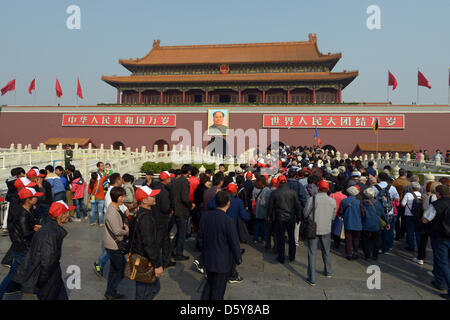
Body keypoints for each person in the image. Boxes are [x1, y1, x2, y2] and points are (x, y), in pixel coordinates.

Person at [12, 200, 73, 300]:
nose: (68, 214)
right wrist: (42, 281)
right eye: (67, 212)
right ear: (60, 215)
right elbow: (47, 261)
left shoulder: (50, 228)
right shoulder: (50, 234)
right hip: (49, 278)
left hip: (53, 274)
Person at [0, 187, 43, 299]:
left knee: (12, 274)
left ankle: (6, 290)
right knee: (34, 272)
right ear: (28, 200)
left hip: (18, 247)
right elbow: (25, 233)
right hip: (23, 249)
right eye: (34, 197)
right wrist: (35, 230)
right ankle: (42, 294)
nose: (36, 198)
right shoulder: (24, 214)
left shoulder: (23, 210)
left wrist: (33, 227)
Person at [198, 191, 242, 300]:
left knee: (209, 284)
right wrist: (238, 258)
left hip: (208, 258)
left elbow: (200, 237)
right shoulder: (228, 221)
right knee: (218, 290)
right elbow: (234, 242)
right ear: (228, 203)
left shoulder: (205, 216)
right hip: (221, 261)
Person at [207, 183, 249, 283]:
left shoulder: (219, 198)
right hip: (231, 228)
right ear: (235, 191)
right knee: (232, 251)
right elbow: (245, 216)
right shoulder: (238, 201)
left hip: (217, 226)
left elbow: (210, 205)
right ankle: (232, 274)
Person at [94, 173, 129, 277]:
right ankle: (100, 264)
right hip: (113, 221)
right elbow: (113, 206)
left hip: (116, 219)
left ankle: (106, 265)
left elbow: (119, 204)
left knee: (114, 247)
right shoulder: (111, 192)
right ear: (118, 180)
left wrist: (125, 208)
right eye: (121, 179)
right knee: (113, 246)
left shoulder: (115, 190)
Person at [131, 186, 163, 300]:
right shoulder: (146, 218)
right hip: (145, 260)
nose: (155, 197)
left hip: (139, 257)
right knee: (145, 292)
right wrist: (157, 265)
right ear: (144, 200)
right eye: (152, 196)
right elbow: (148, 243)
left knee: (145, 290)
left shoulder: (138, 212)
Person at [303, 180, 336, 286]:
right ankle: (328, 271)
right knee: (326, 251)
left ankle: (312, 278)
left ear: (318, 188)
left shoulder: (312, 199)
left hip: (313, 228)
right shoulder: (332, 201)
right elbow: (333, 216)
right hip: (326, 228)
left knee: (312, 253)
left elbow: (305, 213)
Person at [421, 185, 450, 300]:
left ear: (438, 194)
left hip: (440, 236)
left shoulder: (436, 205)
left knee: (442, 262)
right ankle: (439, 281)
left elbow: (425, 220)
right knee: (447, 261)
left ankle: (444, 284)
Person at [267, 175, 303, 264]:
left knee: (280, 238)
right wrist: (299, 217)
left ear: (279, 182)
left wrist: (269, 217)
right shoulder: (293, 192)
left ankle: (281, 256)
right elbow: (298, 206)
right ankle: (291, 256)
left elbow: (270, 207)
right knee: (291, 237)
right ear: (286, 181)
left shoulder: (275, 193)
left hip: (279, 217)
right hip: (291, 217)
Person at [103, 187, 129, 300]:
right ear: (118, 197)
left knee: (114, 269)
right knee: (121, 270)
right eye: (123, 196)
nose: (124, 198)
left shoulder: (116, 208)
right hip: (114, 245)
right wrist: (126, 231)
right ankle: (110, 292)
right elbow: (117, 231)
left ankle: (110, 292)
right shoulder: (112, 212)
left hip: (113, 244)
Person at [169, 164, 195, 260]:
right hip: (182, 210)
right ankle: (178, 253)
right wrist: (190, 205)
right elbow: (185, 198)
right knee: (181, 233)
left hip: (176, 209)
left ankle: (171, 250)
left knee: (179, 232)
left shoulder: (175, 181)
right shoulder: (184, 182)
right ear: (188, 172)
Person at [152, 171, 176, 269]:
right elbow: (165, 207)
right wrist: (170, 210)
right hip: (162, 220)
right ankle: (158, 263)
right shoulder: (164, 191)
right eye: (169, 178)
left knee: (165, 242)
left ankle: (166, 260)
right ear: (166, 179)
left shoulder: (154, 188)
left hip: (154, 218)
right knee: (161, 243)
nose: (170, 180)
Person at [374, 172, 400, 254]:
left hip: (378, 211)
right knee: (389, 230)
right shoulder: (392, 188)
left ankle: (379, 247)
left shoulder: (375, 187)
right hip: (389, 211)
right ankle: (387, 248)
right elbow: (397, 199)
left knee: (379, 231)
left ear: (379, 178)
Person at [360, 188, 388, 261]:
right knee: (376, 240)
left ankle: (367, 256)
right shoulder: (377, 203)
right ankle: (375, 255)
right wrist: (387, 222)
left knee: (365, 240)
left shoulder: (362, 203)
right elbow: (382, 214)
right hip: (376, 224)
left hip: (365, 224)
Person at [339, 186, 362, 260]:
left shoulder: (344, 201)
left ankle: (349, 253)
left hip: (348, 222)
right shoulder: (359, 202)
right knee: (356, 238)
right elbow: (363, 213)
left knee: (348, 238)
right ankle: (355, 252)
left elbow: (340, 212)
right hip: (358, 222)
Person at [401, 182, 422, 252]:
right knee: (418, 232)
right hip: (418, 216)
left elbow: (403, 204)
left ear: (411, 188)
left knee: (410, 231)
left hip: (409, 214)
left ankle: (411, 246)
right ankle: (419, 246)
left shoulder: (408, 194)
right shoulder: (421, 195)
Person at [253, 176, 272, 245]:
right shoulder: (267, 190)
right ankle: (263, 239)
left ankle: (256, 239)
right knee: (263, 226)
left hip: (259, 211)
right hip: (263, 212)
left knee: (257, 226)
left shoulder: (261, 189)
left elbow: (261, 202)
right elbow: (265, 203)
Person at [393, 168, 411, 241]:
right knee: (404, 219)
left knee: (397, 219)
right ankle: (402, 233)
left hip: (396, 202)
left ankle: (397, 234)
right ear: (405, 174)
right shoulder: (408, 183)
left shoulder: (395, 182)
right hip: (405, 203)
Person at [330, 184, 347, 249]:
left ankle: (335, 242)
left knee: (333, 228)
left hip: (333, 213)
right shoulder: (344, 196)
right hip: (341, 214)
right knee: (339, 228)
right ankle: (338, 242)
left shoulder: (332, 195)